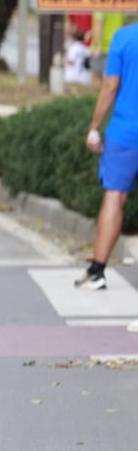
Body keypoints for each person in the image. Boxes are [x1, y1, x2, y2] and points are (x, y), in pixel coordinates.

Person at [77, 18, 138, 331]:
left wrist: (93, 126)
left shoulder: (124, 37)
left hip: (125, 132)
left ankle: (97, 272)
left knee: (115, 196)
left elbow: (110, 85)